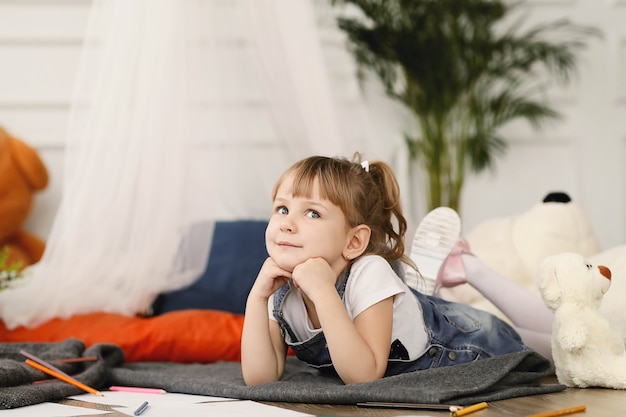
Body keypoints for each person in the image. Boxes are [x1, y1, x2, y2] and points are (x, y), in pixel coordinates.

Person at [241, 153, 553, 386]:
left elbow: (363, 375)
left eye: (311, 213)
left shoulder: (369, 272)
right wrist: (256, 299)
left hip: (467, 342)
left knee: (554, 348)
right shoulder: (280, 287)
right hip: (425, 333)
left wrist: (323, 292)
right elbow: (260, 377)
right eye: (282, 208)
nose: (287, 223)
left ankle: (466, 271)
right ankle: (437, 284)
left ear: (353, 241)